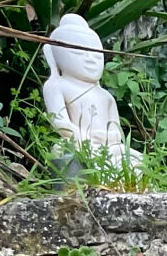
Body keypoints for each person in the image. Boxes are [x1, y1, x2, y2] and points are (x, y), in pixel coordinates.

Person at [41, 14, 136, 170]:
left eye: (96, 55)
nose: (90, 59)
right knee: (66, 151)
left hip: (108, 146)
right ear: (55, 55)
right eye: (79, 52)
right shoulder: (57, 86)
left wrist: (107, 138)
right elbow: (59, 122)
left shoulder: (105, 96)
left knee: (135, 158)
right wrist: (86, 138)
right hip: (78, 142)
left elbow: (116, 131)